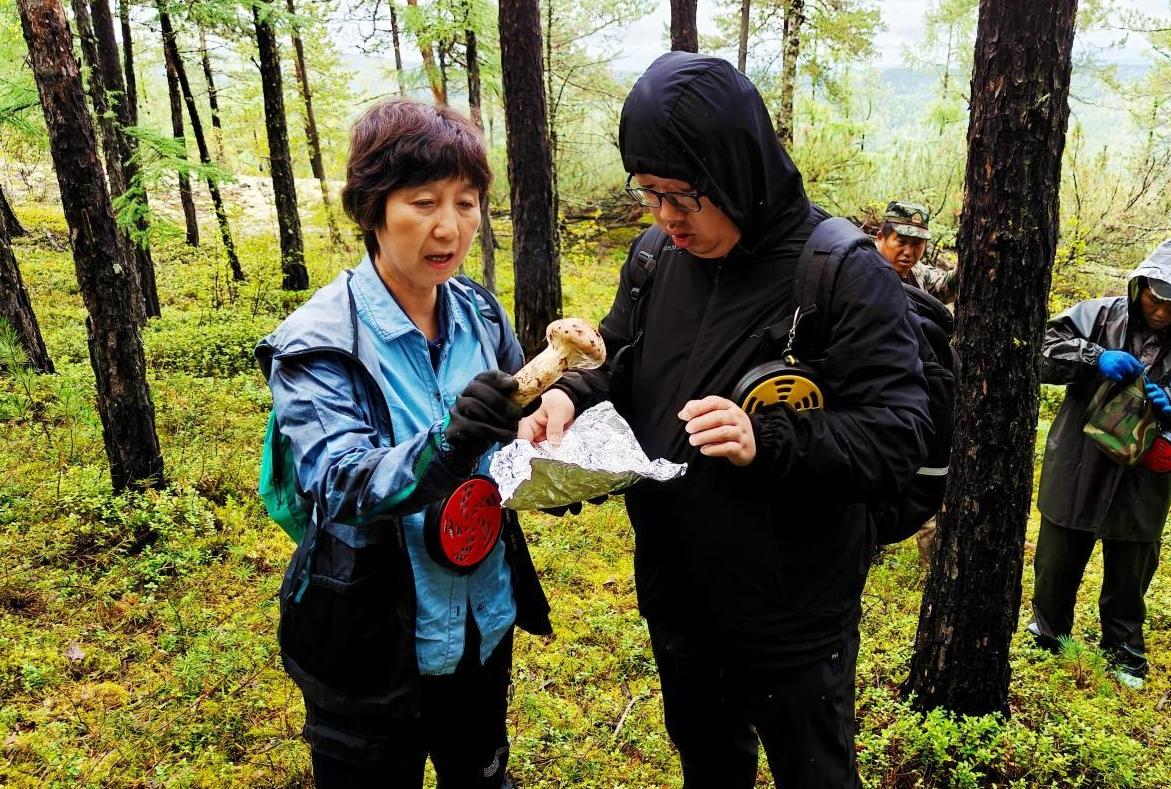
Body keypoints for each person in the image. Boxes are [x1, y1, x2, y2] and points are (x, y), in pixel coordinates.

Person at [520, 52, 931, 787]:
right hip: (679, 595)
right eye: (649, 193)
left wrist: (764, 439)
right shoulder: (657, 256)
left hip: (792, 613)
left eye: (683, 195)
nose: (665, 216)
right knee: (709, 768)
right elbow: (621, 357)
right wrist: (571, 395)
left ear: (735, 169)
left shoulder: (839, 271)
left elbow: (897, 434)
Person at [255, 98, 549, 787]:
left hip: (479, 619)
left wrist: (548, 461)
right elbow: (340, 483)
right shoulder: (319, 342)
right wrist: (447, 443)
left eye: (466, 203)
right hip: (369, 640)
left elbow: (515, 438)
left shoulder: (478, 313)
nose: (449, 227)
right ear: (372, 209)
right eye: (423, 203)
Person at [1028, 239, 1171, 690]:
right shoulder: (1101, 316)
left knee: (1133, 563)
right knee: (1058, 554)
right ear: (1140, 286)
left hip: (1144, 470)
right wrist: (1093, 358)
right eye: (1155, 298)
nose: (1161, 312)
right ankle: (1047, 634)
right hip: (1080, 456)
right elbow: (1040, 349)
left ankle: (1123, 650)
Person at [875, 200, 958, 305]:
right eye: (901, 242)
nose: (908, 252)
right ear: (881, 238)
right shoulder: (865, 270)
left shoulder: (915, 271)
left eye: (916, 244)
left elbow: (943, 287)